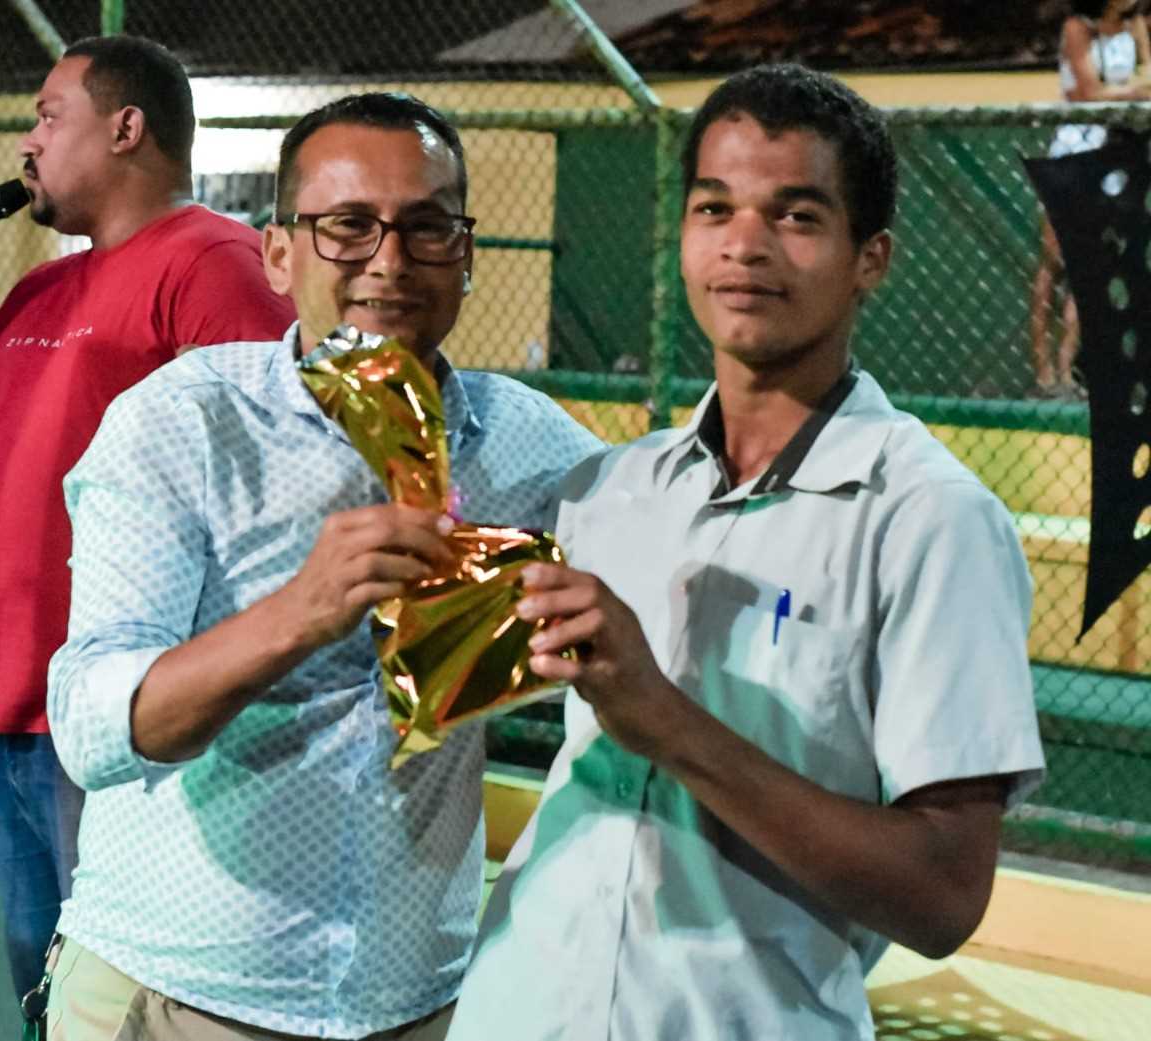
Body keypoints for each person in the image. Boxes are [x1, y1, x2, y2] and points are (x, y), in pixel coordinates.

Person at [447, 64, 1046, 1041]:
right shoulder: (610, 488)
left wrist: (665, 721)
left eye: (796, 216)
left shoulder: (929, 519)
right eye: (712, 206)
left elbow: (942, 896)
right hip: (515, 1011)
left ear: (872, 258)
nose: (742, 245)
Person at [43, 92, 602, 1040]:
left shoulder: (532, 450)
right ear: (278, 252)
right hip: (177, 996)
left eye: (427, 228)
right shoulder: (183, 424)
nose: (388, 260)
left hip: (414, 1002)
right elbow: (94, 728)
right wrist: (297, 611)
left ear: (465, 256)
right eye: (347, 226)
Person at [0, 34, 294, 1014]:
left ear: (125, 127)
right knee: (49, 994)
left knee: (126, 1002)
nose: (27, 143)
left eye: (46, 116)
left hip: (122, 718)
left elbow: (274, 471)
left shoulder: (212, 265)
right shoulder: (42, 288)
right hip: (16, 706)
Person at [1029, 0, 1151, 399]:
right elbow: (1087, 93)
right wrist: (1133, 93)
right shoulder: (1077, 28)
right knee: (1054, 264)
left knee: (1091, 265)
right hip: (1071, 151)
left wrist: (1117, 93)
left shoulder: (1137, 28)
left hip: (1112, 155)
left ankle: (1068, 373)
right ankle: (1043, 373)